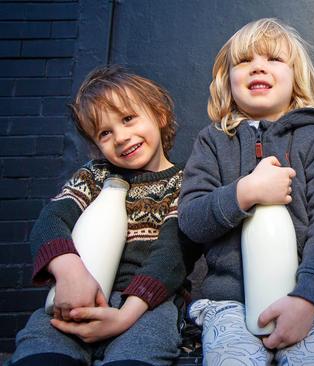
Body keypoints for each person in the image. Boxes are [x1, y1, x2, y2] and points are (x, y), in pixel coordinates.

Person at [178, 18, 314, 366]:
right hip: (232, 302)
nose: (258, 66)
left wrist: (308, 299)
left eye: (274, 59)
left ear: (297, 78)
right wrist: (245, 192)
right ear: (227, 80)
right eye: (244, 61)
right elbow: (191, 221)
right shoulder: (213, 142)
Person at [10, 65, 199, 366]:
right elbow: (51, 220)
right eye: (105, 132)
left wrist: (124, 316)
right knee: (41, 355)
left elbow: (172, 255)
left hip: (146, 307)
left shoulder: (185, 183)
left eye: (128, 119)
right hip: (77, 300)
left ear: (159, 115)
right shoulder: (94, 176)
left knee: (135, 358)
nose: (121, 137)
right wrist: (70, 271)